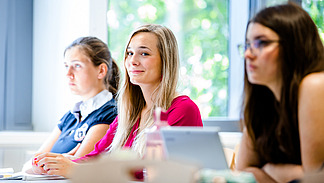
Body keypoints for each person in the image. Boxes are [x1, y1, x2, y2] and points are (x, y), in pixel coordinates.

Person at [31, 24, 203, 177]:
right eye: (129, 53)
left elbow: (160, 175)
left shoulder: (183, 110)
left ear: (165, 61)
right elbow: (97, 157)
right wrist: (56, 164)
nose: (133, 61)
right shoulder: (130, 113)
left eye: (144, 53)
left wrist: (74, 168)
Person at [236, 2, 324, 183]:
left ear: (294, 45)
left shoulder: (315, 84)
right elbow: (243, 171)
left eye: (261, 43)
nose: (248, 54)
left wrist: (268, 169)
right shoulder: (263, 97)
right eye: (247, 44)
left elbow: (313, 177)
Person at [26, 36, 120, 173]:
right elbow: (31, 164)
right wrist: (55, 160)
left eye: (77, 66)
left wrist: (50, 162)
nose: (68, 74)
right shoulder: (71, 115)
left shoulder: (110, 113)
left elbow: (73, 168)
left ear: (101, 71)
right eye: (66, 66)